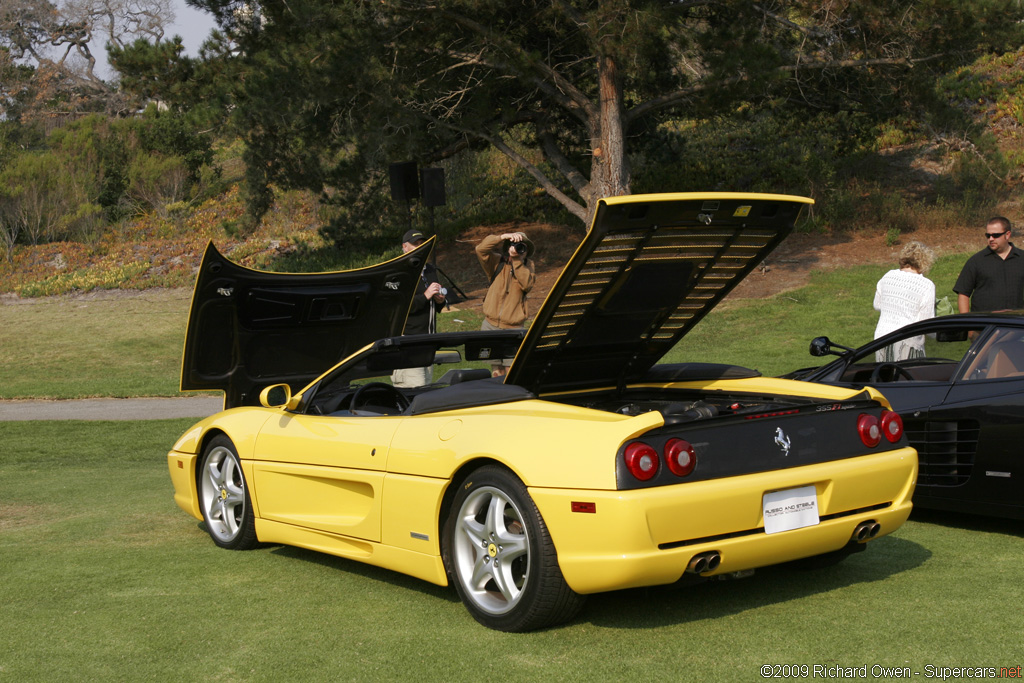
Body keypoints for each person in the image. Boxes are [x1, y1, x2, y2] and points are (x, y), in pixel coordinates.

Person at [475, 231, 536, 376]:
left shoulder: (528, 266)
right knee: (496, 371)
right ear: (508, 247)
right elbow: (480, 249)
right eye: (514, 245)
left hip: (513, 329)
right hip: (490, 325)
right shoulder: (496, 262)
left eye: (522, 246)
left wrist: (517, 261)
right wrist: (502, 237)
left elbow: (527, 284)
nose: (518, 249)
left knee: (511, 372)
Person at [391, 229, 446, 388]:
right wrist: (426, 296)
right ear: (404, 247)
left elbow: (434, 304)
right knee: (416, 390)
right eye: (415, 245)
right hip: (409, 342)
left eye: (422, 244)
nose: (420, 248)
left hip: (428, 341)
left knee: (425, 388)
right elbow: (398, 306)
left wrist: (439, 300)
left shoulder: (429, 270)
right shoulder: (398, 271)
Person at [873, 241, 936, 362]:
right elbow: (925, 321)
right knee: (907, 377)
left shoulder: (887, 276)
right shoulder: (926, 285)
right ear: (925, 262)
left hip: (882, 338)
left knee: (883, 376)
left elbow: (877, 304)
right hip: (908, 341)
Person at [953, 216, 1024, 313]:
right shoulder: (976, 261)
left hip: (1015, 323)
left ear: (1007, 235)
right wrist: (968, 325)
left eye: (995, 235)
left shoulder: (1021, 259)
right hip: (984, 325)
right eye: (988, 235)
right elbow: (963, 294)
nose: (991, 239)